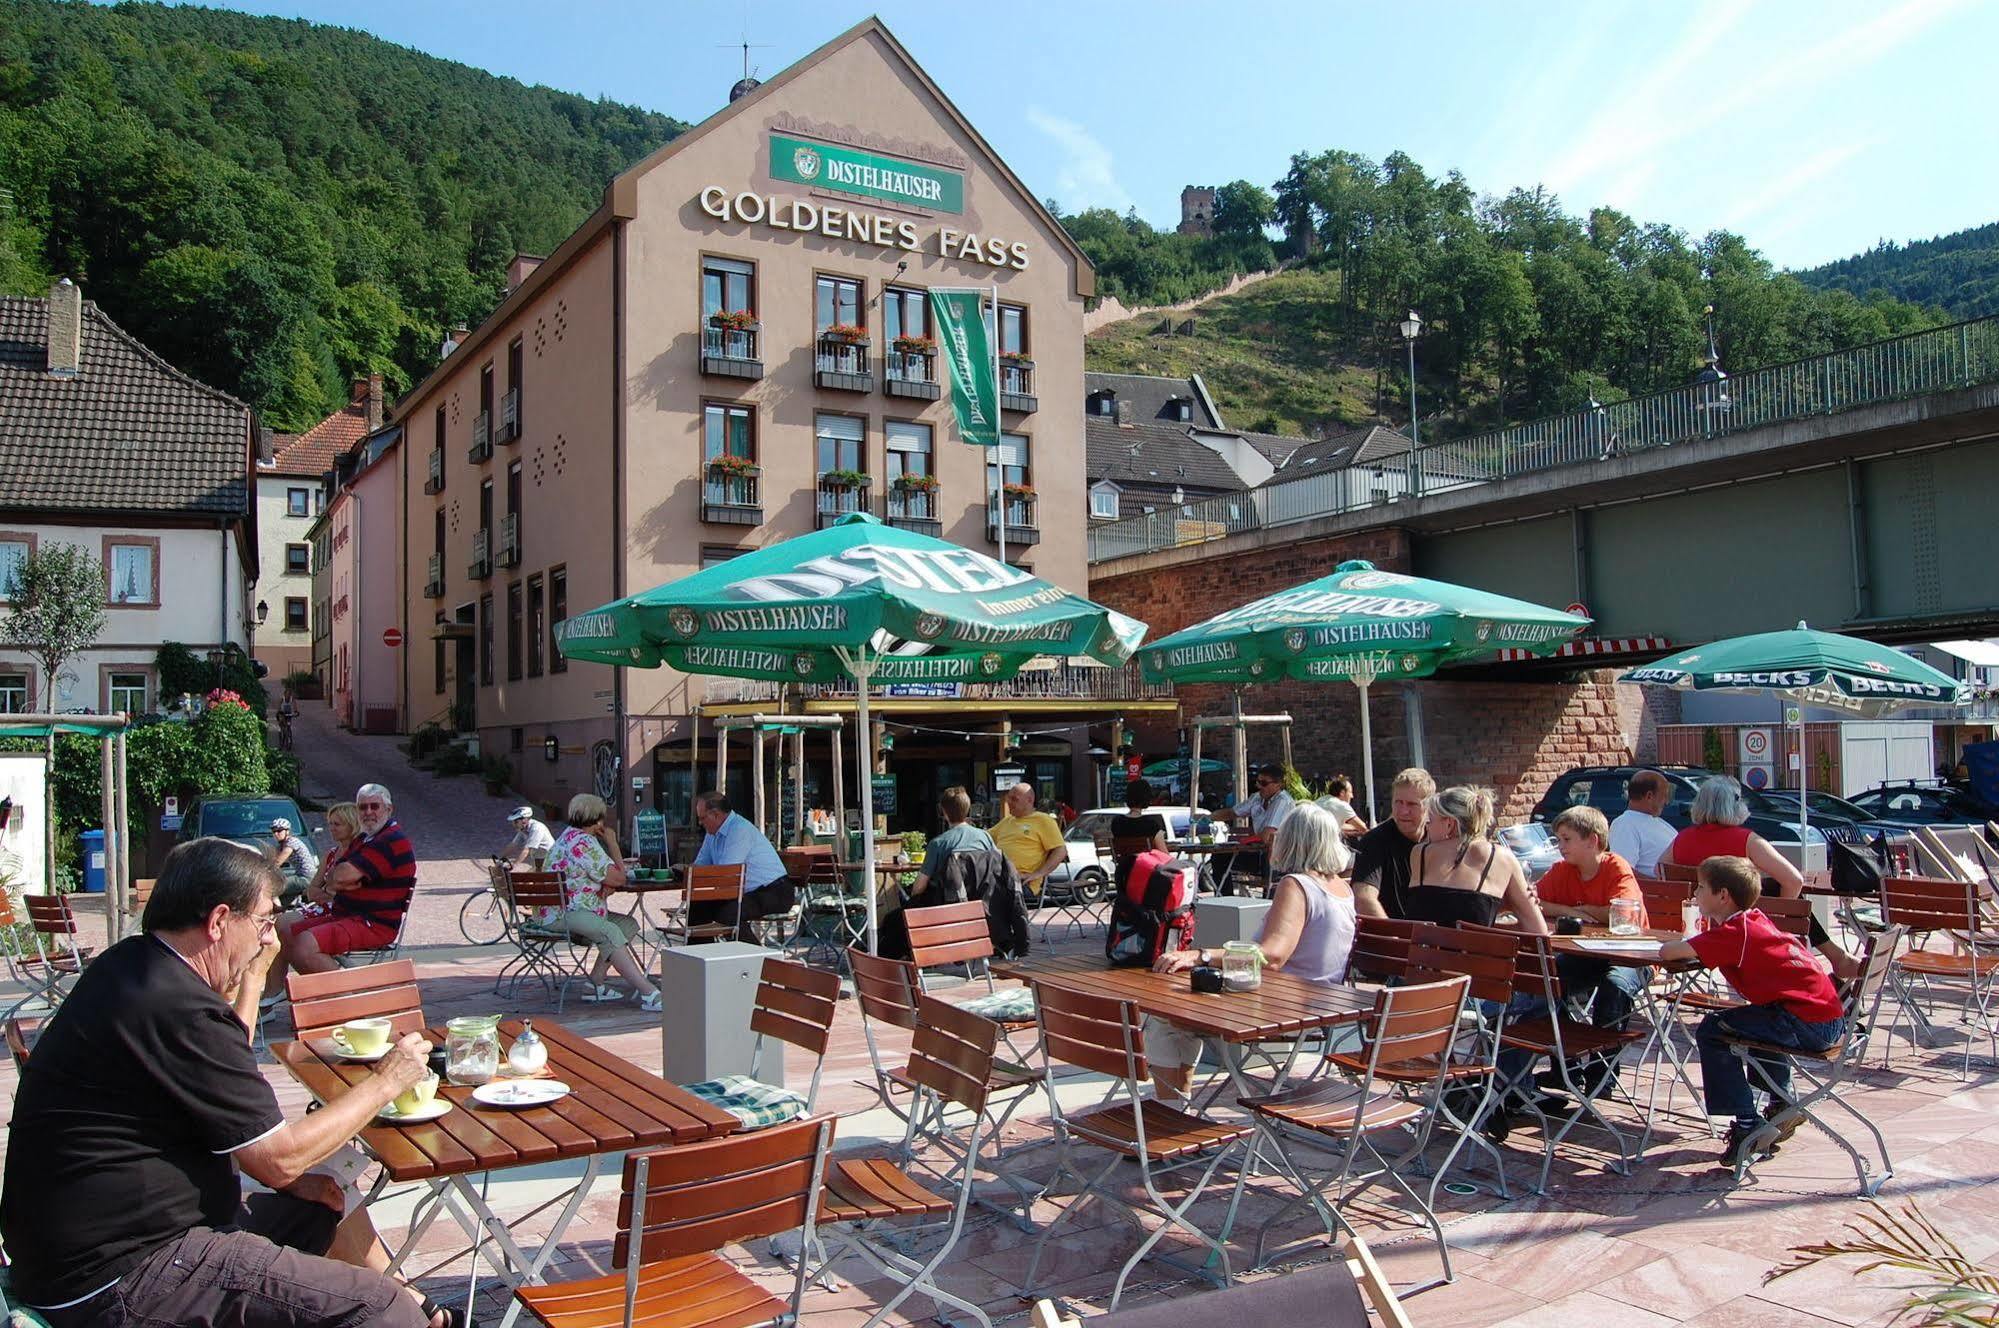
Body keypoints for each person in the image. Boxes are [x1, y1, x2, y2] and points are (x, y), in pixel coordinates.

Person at [0, 838, 451, 1327]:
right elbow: (276, 1160)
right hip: (120, 1276)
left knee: (324, 1204)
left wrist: (254, 978)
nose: (267, 937)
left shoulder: (133, 968)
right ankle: (408, 1311)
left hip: (77, 1255)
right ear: (218, 921)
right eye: (262, 922)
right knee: (378, 1308)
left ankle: (418, 1310)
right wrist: (388, 1081)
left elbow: (219, 1066)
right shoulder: (180, 1009)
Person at [1148, 804, 1358, 1099]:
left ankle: (1171, 1117)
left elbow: (1272, 955)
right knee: (1181, 1019)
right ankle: (1177, 1110)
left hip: (1282, 1004)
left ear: (1292, 839)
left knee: (1164, 1016)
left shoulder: (1296, 884)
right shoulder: (1341, 889)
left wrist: (1200, 955)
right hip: (1320, 1002)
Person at [1660, 855, 1847, 1166]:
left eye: (1701, 887)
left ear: (1722, 896)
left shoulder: (1734, 934)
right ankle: (1781, 1102)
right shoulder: (1754, 919)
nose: (1694, 893)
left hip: (1807, 1023)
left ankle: (1748, 1122)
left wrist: (1689, 941)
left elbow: (1668, 952)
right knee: (1751, 1022)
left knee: (1713, 1030)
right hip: (1826, 1018)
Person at [1660, 776, 1857, 980]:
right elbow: (1794, 880)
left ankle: (1837, 957)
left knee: (1768, 887)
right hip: (1739, 929)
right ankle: (1836, 957)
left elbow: (1660, 870)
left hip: (1696, 923)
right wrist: (1778, 923)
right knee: (1775, 889)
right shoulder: (1746, 839)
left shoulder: (1681, 839)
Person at [1530, 805, 1649, 1098]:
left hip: (1632, 955)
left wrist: (1588, 913)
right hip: (1585, 954)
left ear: (1592, 840)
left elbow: (1622, 913)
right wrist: (1575, 912)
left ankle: (1602, 1075)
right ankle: (1566, 1070)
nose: (1560, 847)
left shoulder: (1615, 867)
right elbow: (1532, 899)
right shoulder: (1562, 870)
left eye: (1566, 839)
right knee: (1543, 979)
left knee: (1615, 987)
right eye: (1558, 839)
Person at [542, 794, 661, 1009]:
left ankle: (595, 983)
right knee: (610, 932)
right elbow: (619, 877)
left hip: (560, 910)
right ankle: (649, 993)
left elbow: (593, 875)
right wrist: (612, 843)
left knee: (627, 925)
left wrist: (604, 883)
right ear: (597, 820)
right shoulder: (585, 842)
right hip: (566, 914)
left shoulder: (567, 837)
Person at [1402, 785, 1546, 932]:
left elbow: (1440, 916)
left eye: (1430, 821)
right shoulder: (1502, 857)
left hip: (1422, 954)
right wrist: (1497, 907)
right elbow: (1537, 931)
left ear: (1450, 824)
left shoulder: (1420, 854)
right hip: (1475, 953)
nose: (1427, 828)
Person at [688, 790, 794, 943]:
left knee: (729, 914)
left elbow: (727, 876)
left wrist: (698, 875)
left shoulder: (739, 830)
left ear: (716, 815)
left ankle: (758, 962)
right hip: (750, 892)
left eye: (702, 818)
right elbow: (700, 865)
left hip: (774, 891)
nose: (700, 823)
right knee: (699, 907)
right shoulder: (712, 833)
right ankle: (702, 960)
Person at [1351, 767, 1436, 920]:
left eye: (1411, 804)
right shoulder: (1374, 841)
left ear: (1428, 807)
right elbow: (1363, 898)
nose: (1403, 811)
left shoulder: (1439, 840)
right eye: (1398, 802)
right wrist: (1395, 937)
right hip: (1392, 935)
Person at [909, 786, 997, 904]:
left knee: (891, 918)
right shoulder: (985, 837)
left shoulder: (938, 843)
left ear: (944, 812)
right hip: (984, 905)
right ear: (968, 809)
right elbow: (998, 868)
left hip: (949, 910)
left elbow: (919, 887)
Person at [991, 783, 1067, 899]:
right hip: (999, 878)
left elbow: (1061, 851)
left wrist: (1039, 873)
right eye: (1009, 798)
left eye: (1014, 799)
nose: (1009, 802)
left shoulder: (1043, 820)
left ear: (1029, 800)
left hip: (1021, 882)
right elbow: (984, 837)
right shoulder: (1007, 821)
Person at [1609, 769, 1678, 877]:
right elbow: (1623, 870)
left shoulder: (1659, 822)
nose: (1666, 802)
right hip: (1658, 891)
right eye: (1664, 796)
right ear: (1649, 796)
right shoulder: (1625, 824)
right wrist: (1660, 886)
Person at [1233, 763, 1296, 836]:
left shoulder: (1283, 801)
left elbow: (1268, 835)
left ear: (1278, 784)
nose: (1259, 786)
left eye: (1263, 783)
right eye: (1258, 782)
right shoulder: (1257, 797)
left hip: (1280, 847)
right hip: (1261, 846)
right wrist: (1216, 817)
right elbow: (1232, 813)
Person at [269, 816, 319, 905]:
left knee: (273, 887)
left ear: (287, 831)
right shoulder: (281, 844)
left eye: (279, 830)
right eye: (274, 831)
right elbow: (272, 859)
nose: (276, 834)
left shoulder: (291, 842)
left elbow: (277, 862)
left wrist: (265, 870)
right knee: (283, 898)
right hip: (299, 876)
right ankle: (282, 913)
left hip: (306, 878)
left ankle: (277, 911)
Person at [1313, 774, 1369, 839]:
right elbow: (1363, 828)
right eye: (1350, 792)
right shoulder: (1342, 805)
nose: (1352, 796)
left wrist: (1354, 828)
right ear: (1342, 793)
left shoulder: (1319, 801)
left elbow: (1339, 826)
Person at [502, 804, 555, 869]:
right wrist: (501, 858)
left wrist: (514, 865)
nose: (513, 824)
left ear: (524, 820)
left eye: (516, 822)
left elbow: (526, 850)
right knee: (537, 872)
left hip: (550, 856)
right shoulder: (523, 829)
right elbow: (513, 845)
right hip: (539, 855)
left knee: (543, 875)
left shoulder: (536, 828)